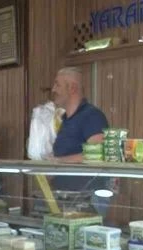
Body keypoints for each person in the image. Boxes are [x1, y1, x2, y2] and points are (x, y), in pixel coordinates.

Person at [49, 67, 112, 212]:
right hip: (66, 198)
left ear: (72, 88)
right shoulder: (66, 119)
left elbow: (99, 154)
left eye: (57, 84)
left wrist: (58, 161)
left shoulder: (92, 116)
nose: (53, 89)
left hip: (86, 200)